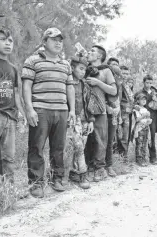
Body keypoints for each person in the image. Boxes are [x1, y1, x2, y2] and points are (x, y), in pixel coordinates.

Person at [22, 28, 76, 198]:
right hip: (41, 110)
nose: (58, 42)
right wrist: (29, 109)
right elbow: (26, 86)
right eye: (54, 39)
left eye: (60, 40)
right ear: (44, 41)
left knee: (59, 147)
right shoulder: (33, 61)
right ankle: (36, 183)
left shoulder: (65, 64)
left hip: (61, 111)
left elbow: (70, 88)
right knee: (36, 147)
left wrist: (72, 110)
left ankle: (57, 179)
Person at [0, 25, 26, 201]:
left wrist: (21, 114)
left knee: (8, 158)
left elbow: (15, 94)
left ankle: (8, 192)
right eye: (3, 39)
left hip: (10, 118)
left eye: (10, 40)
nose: (8, 43)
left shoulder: (12, 68)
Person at [84, 45, 117, 182]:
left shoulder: (106, 71)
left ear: (99, 56)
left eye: (92, 51)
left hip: (100, 110)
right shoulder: (85, 69)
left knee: (100, 140)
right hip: (85, 111)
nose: (89, 52)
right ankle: (87, 168)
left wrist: (98, 82)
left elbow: (113, 91)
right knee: (86, 141)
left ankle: (99, 169)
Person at [65, 56, 95, 189]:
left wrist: (90, 121)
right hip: (72, 119)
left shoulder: (85, 85)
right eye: (80, 69)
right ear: (72, 68)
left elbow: (89, 103)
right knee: (78, 146)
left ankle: (74, 172)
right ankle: (83, 174)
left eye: (84, 69)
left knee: (81, 145)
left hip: (84, 120)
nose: (83, 72)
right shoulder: (67, 83)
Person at [134, 75, 157, 164]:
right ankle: (140, 158)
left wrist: (154, 98)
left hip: (152, 118)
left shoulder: (154, 93)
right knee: (141, 138)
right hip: (141, 119)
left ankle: (153, 157)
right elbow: (135, 105)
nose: (149, 84)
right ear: (143, 82)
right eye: (147, 82)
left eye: (150, 83)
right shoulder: (139, 93)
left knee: (151, 137)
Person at [117, 66, 134, 161]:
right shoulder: (118, 84)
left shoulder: (128, 86)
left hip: (127, 115)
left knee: (125, 135)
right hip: (118, 113)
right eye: (123, 73)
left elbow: (130, 101)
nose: (125, 75)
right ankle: (118, 156)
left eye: (127, 73)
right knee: (118, 136)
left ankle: (124, 156)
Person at [131, 93, 152, 166]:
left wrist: (149, 120)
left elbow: (147, 118)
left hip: (146, 127)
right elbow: (137, 119)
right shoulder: (136, 109)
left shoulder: (145, 109)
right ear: (137, 101)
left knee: (144, 143)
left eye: (145, 99)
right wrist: (144, 115)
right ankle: (139, 160)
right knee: (139, 144)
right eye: (142, 99)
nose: (144, 100)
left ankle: (144, 158)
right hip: (140, 128)